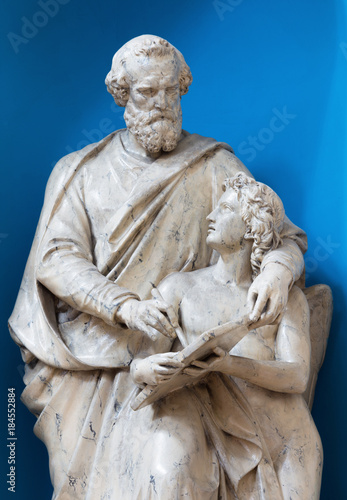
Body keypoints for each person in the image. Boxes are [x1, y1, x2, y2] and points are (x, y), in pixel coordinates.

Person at [8, 35, 307, 498]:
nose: (163, 104)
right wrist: (122, 307)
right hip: (96, 355)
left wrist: (277, 271)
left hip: (185, 365)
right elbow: (54, 257)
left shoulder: (215, 165)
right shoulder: (79, 172)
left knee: (171, 473)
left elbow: (279, 235)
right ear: (124, 94)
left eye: (172, 90)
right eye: (149, 93)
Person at [132, 172, 322, 499]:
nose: (210, 216)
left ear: (250, 228)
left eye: (224, 209)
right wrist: (147, 369)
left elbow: (297, 376)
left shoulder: (285, 298)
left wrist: (228, 364)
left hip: (285, 437)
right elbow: (137, 364)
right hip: (205, 423)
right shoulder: (179, 287)